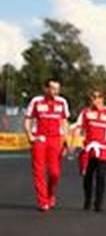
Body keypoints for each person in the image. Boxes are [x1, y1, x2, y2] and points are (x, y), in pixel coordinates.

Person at [24, 78, 72, 211]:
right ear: (45, 89)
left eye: (57, 89)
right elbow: (28, 119)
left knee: (54, 172)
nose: (55, 91)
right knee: (39, 171)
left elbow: (65, 122)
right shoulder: (36, 101)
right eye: (52, 88)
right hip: (39, 138)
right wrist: (30, 136)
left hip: (56, 139)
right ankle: (42, 201)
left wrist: (67, 141)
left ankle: (51, 194)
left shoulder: (62, 102)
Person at [75, 89, 106, 212]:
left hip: (104, 148)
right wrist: (76, 144)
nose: (96, 100)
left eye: (98, 97)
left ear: (102, 99)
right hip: (88, 148)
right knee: (88, 176)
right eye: (93, 97)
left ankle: (98, 203)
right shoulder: (85, 113)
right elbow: (78, 128)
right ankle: (87, 199)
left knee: (101, 175)